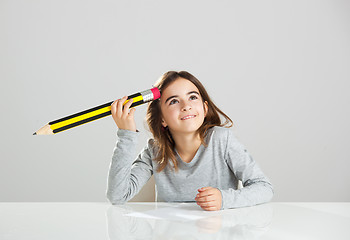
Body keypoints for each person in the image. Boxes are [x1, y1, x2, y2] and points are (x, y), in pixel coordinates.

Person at [107, 71, 273, 211]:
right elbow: (117, 196)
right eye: (173, 101)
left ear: (205, 108)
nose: (186, 106)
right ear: (162, 119)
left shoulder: (222, 140)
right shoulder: (154, 150)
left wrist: (224, 199)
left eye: (192, 97)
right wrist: (126, 134)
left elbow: (264, 188)